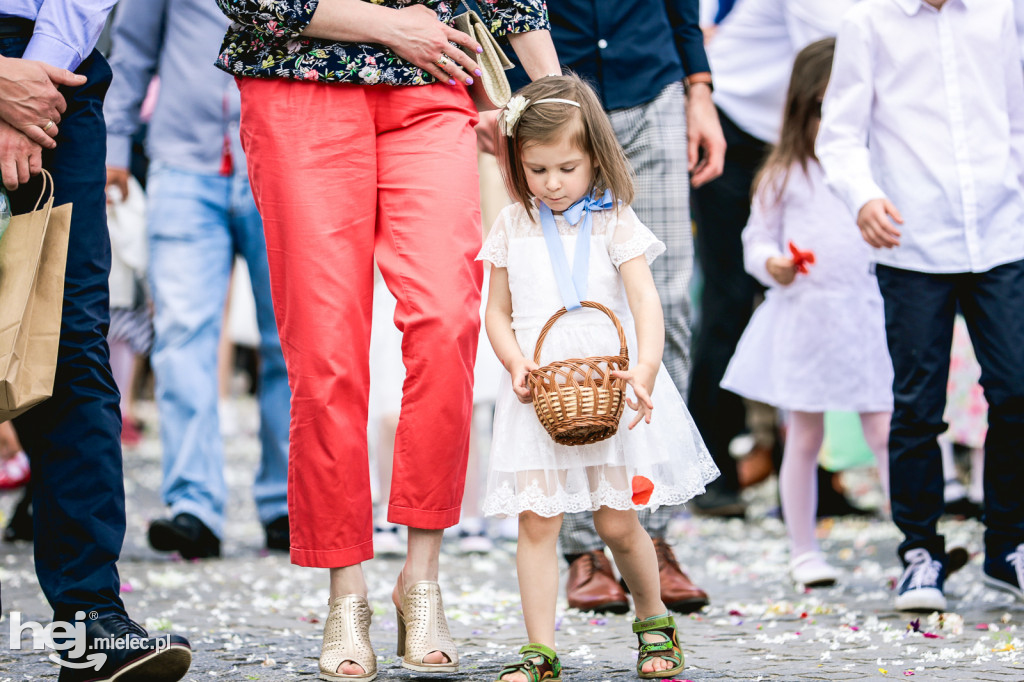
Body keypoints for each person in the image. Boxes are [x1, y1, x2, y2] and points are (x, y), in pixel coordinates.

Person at [215, 0, 559, 678]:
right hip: (298, 82)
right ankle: (347, 591)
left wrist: (553, 102)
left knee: (447, 319)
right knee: (326, 352)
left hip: (430, 86)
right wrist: (388, 25)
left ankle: (421, 578)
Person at [478, 74, 719, 681]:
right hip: (541, 391)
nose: (552, 184)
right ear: (518, 164)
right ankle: (540, 649)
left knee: (617, 519)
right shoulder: (513, 224)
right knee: (537, 520)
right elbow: (497, 311)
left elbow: (646, 303)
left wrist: (644, 368)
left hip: (609, 382)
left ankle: (653, 618)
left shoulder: (616, 221)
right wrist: (513, 361)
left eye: (566, 168)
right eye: (537, 171)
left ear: (594, 158)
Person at [0, 4, 192, 680]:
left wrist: (33, 86)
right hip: (36, 75)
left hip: (58, 69)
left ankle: (91, 623)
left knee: (72, 344)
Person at [817, 0, 1024, 611]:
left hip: (1003, 231)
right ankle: (920, 553)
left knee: (1015, 390)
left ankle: (1008, 547)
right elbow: (841, 134)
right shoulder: (866, 21)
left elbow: (1015, 115)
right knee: (917, 402)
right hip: (911, 239)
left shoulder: (1001, 10)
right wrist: (863, 196)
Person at [103, 0, 291, 559]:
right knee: (182, 333)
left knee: (289, 338)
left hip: (283, 160)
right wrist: (115, 144)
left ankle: (287, 503)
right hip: (183, 164)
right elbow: (133, 48)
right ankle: (194, 508)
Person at [720, 38, 892, 588]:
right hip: (806, 317)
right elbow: (755, 242)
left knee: (887, 428)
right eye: (824, 110)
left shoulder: (878, 170)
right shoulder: (783, 176)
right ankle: (803, 549)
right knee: (804, 434)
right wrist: (775, 263)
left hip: (865, 315)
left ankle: (916, 540)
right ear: (803, 110)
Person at [688, 0, 857, 518]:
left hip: (801, 139)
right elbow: (845, 48)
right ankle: (711, 474)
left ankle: (812, 479)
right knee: (731, 299)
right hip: (734, 133)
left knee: (811, 295)